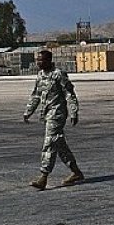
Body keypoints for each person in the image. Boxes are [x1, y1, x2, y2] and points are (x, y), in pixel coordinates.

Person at [24, 50, 84, 190]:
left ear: (49, 60)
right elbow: (36, 95)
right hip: (46, 114)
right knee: (60, 145)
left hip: (57, 114)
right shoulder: (40, 75)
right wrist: (28, 111)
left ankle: (43, 176)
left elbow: (69, 94)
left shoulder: (58, 74)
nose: (39, 63)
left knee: (49, 142)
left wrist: (74, 112)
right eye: (38, 60)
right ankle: (76, 172)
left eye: (42, 60)